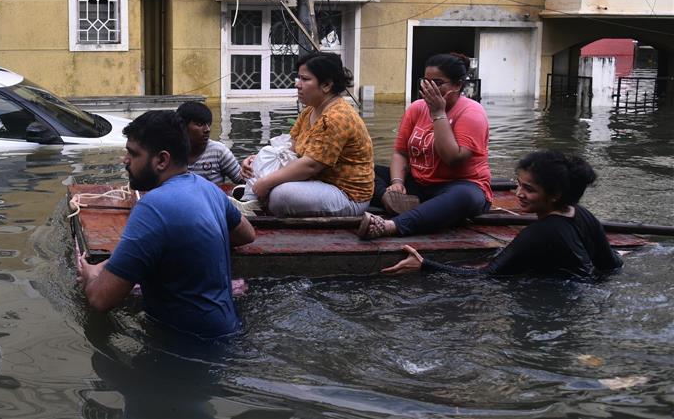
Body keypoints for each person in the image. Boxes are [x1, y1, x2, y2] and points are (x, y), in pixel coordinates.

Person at [76, 110, 256, 339]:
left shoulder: (151, 207)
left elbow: (100, 299)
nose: (125, 160)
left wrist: (91, 275)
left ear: (161, 160)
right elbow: (247, 234)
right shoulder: (207, 188)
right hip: (229, 329)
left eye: (133, 154)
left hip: (186, 346)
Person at [382, 151, 623, 278]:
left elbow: (485, 276)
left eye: (529, 190)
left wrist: (425, 265)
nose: (518, 193)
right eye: (519, 184)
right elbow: (612, 264)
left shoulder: (540, 232)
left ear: (555, 195)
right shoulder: (582, 214)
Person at [359, 52, 491, 239]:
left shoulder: (472, 113)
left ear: (457, 85)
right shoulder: (416, 108)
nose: (429, 88)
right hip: (419, 184)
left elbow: (452, 159)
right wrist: (397, 183)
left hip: (457, 186)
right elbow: (401, 153)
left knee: (465, 197)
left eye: (437, 83)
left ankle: (390, 225)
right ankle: (389, 199)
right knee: (361, 169)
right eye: (425, 81)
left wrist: (438, 112)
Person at [241, 52, 374, 217]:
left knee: (281, 195)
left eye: (305, 79)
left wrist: (267, 181)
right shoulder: (310, 111)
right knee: (266, 157)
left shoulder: (337, 117)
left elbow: (311, 165)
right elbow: (289, 148)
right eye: (299, 78)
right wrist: (257, 160)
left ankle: (255, 200)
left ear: (326, 85)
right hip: (314, 182)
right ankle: (249, 201)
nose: (298, 84)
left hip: (346, 195)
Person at [176, 101, 242, 185]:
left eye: (208, 124)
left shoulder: (219, 151)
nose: (207, 129)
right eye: (200, 124)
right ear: (183, 126)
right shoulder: (172, 154)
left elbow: (243, 182)